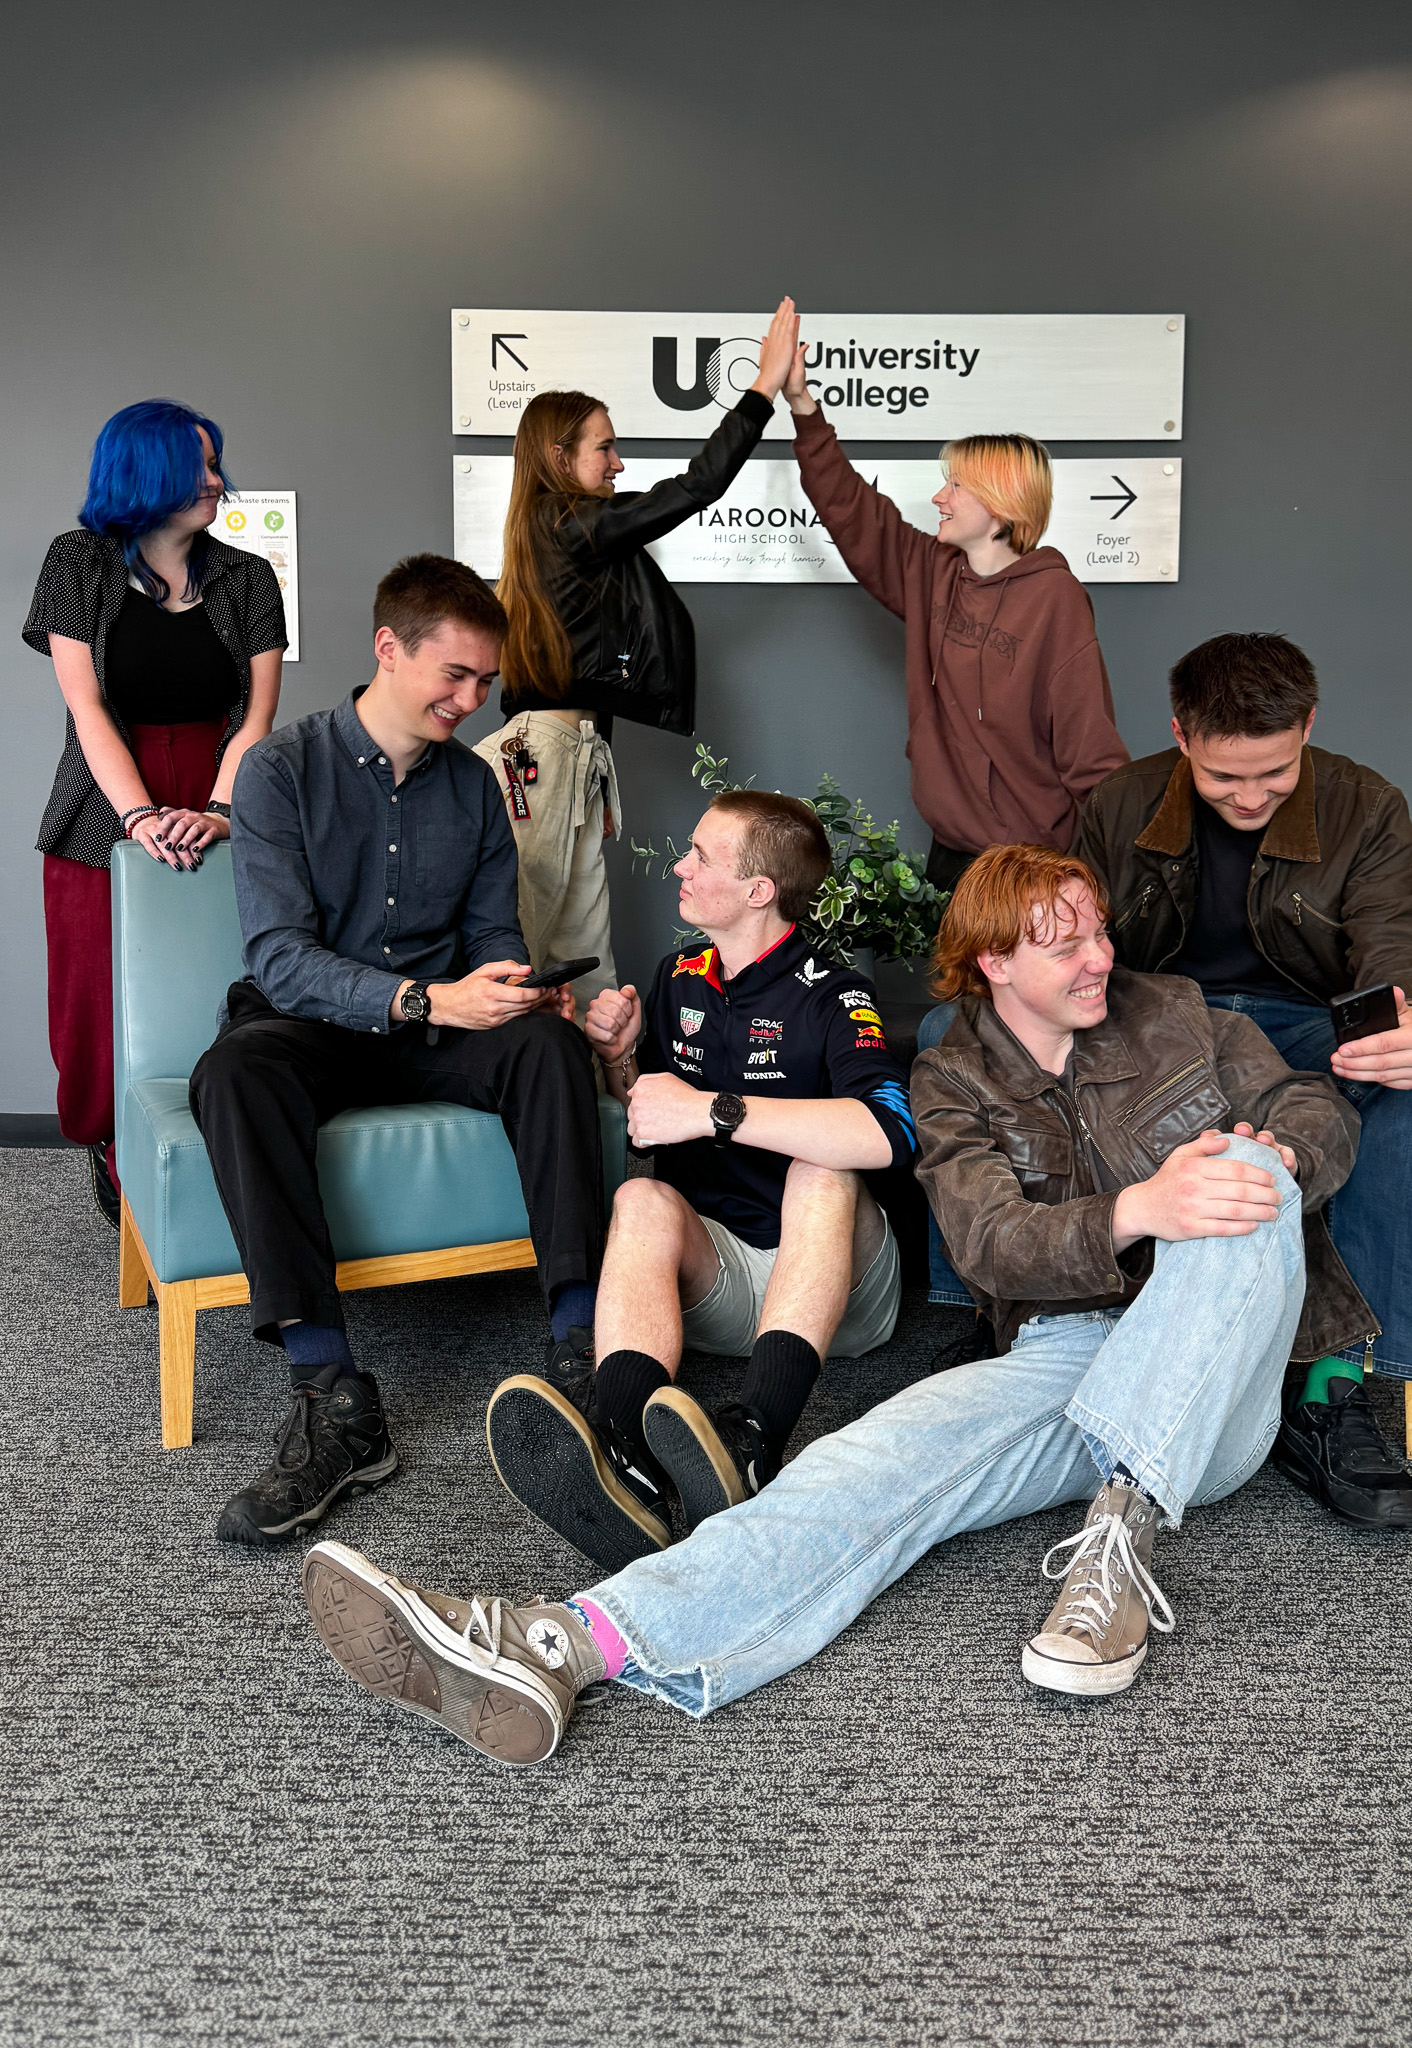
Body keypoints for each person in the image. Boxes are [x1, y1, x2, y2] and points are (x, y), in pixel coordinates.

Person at [296, 843, 1362, 1767]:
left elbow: (1312, 1107)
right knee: (862, 1468)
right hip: (1067, 1351)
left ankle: (1116, 1543)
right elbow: (991, 1243)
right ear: (996, 963)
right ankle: (560, 1644)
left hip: (1220, 1385)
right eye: (1065, 943)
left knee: (1248, 1174)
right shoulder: (952, 1079)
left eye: (1098, 933)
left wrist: (1279, 1150)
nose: (1100, 958)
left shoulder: (1180, 1015)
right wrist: (1136, 1206)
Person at [188, 554, 608, 1548]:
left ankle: (585, 1346)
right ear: (389, 648)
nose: (470, 701)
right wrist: (424, 995)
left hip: (436, 1025)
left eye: (484, 685)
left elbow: (489, 930)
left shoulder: (474, 789)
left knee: (548, 1044)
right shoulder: (279, 769)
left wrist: (506, 981)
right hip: (310, 1021)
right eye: (454, 677)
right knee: (234, 1072)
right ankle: (334, 1395)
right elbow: (281, 957)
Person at [1072, 631, 1412, 1530]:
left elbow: (1402, 940)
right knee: (961, 1038)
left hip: (1311, 1021)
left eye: (1273, 774)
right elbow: (1075, 929)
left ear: (1309, 727)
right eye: (1223, 777)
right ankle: (1043, 1327)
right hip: (1170, 1022)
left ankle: (1333, 1386)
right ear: (1181, 735)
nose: (1249, 798)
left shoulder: (1365, 803)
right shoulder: (1119, 803)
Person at [480, 789, 917, 1572]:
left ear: (758, 891)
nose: (678, 866)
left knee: (825, 1168)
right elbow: (653, 1111)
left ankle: (753, 1441)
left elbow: (890, 1131)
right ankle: (626, 1462)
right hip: (718, 1282)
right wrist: (620, 1057)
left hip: (838, 1289)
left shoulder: (834, 990)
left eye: (701, 857)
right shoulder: (680, 973)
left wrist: (715, 1110)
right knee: (638, 1197)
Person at [472, 299, 802, 1019]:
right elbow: (696, 487)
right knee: (530, 939)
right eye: (604, 448)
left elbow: (582, 668)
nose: (617, 463)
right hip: (547, 755)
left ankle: (601, 1093)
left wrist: (598, 772)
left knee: (581, 936)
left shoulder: (560, 530)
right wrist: (761, 392)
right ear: (562, 459)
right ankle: (521, 1079)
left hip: (568, 751)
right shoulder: (563, 522)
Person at [23, 399, 286, 1225]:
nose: (216, 480)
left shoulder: (248, 577)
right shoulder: (76, 563)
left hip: (220, 801)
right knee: (94, 995)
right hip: (103, 807)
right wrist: (139, 819)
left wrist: (215, 811)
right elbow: (88, 709)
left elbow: (256, 723)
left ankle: (222, 1141)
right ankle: (110, 1143)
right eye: (198, 465)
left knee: (221, 985)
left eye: (215, 462)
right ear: (145, 472)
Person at [782, 329, 1127, 894]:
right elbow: (850, 507)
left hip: (1032, 865)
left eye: (956, 484)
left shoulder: (1054, 598)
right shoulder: (933, 571)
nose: (940, 497)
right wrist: (802, 405)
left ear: (1001, 504)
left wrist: (1106, 873)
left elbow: (1088, 743)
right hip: (954, 853)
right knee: (959, 987)